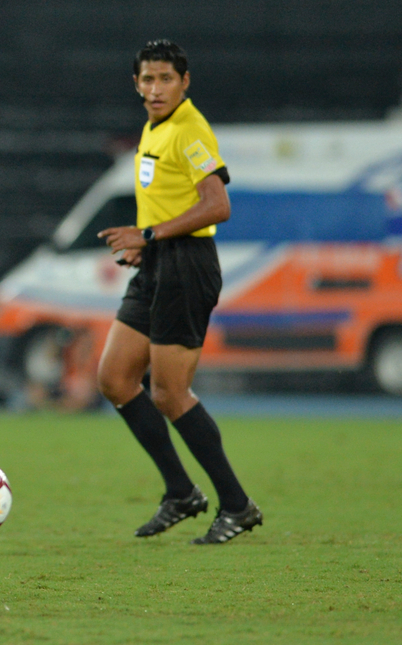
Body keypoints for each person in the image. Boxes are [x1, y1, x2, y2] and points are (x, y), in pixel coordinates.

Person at [96, 40, 262, 544]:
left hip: (187, 265)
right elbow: (170, 198)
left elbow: (217, 205)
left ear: (184, 82)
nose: (155, 88)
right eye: (147, 79)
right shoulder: (154, 128)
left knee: (169, 393)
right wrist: (148, 245)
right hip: (159, 262)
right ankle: (181, 493)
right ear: (136, 84)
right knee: (115, 378)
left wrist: (149, 235)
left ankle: (236, 504)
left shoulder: (189, 130)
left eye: (165, 78)